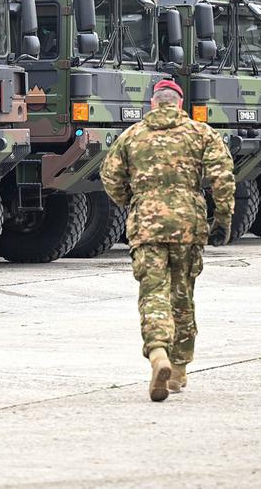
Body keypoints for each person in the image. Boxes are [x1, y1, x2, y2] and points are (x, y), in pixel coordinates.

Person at [100, 79, 235, 402]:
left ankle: (158, 351)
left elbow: (110, 176)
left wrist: (135, 202)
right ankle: (178, 369)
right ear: (179, 103)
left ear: (153, 104)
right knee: (182, 294)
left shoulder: (132, 135)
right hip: (188, 224)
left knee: (153, 293)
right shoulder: (200, 133)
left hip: (146, 225)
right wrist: (223, 219)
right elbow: (222, 176)